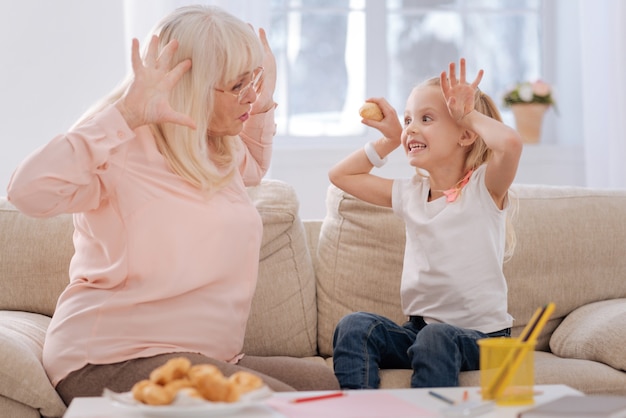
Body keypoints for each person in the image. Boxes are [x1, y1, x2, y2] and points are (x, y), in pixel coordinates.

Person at [6, 5, 338, 405]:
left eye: (255, 79)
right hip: (109, 358)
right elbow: (27, 192)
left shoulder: (213, 144)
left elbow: (252, 168)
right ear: (192, 87)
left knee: (325, 388)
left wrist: (261, 100)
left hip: (200, 356)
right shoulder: (122, 147)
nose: (249, 94)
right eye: (237, 86)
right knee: (278, 406)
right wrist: (124, 115)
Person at [329, 58, 523, 389]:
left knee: (436, 338)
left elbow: (511, 144)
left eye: (426, 118)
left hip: (487, 340)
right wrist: (389, 140)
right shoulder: (411, 194)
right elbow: (341, 176)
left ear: (465, 135)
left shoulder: (484, 187)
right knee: (355, 326)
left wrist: (469, 116)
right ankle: (361, 410)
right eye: (408, 120)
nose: (411, 128)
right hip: (422, 331)